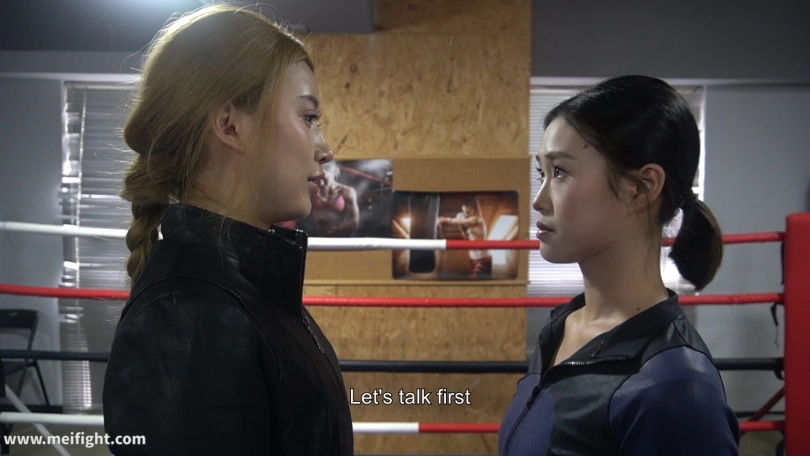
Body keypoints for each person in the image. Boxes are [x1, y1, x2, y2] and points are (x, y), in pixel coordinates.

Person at [102, 5, 353, 455]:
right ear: (230, 126)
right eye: (308, 118)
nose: (325, 148)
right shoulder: (189, 318)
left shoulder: (242, 293)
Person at [499, 76, 739, 455]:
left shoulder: (674, 387)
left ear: (641, 188)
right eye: (541, 173)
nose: (539, 200)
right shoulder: (562, 327)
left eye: (560, 172)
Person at [437, 197, 493, 278]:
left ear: (475, 210)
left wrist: (444, 219)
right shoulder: (465, 220)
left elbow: (462, 221)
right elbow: (464, 234)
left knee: (480, 282)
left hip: (483, 257)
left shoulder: (478, 219)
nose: (465, 214)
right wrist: (460, 223)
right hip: (473, 257)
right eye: (464, 211)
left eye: (468, 212)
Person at [309, 161, 360, 236]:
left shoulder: (347, 192)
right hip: (316, 236)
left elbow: (354, 221)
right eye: (318, 179)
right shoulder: (310, 191)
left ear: (335, 173)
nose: (321, 183)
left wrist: (338, 228)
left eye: (324, 179)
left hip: (340, 236)